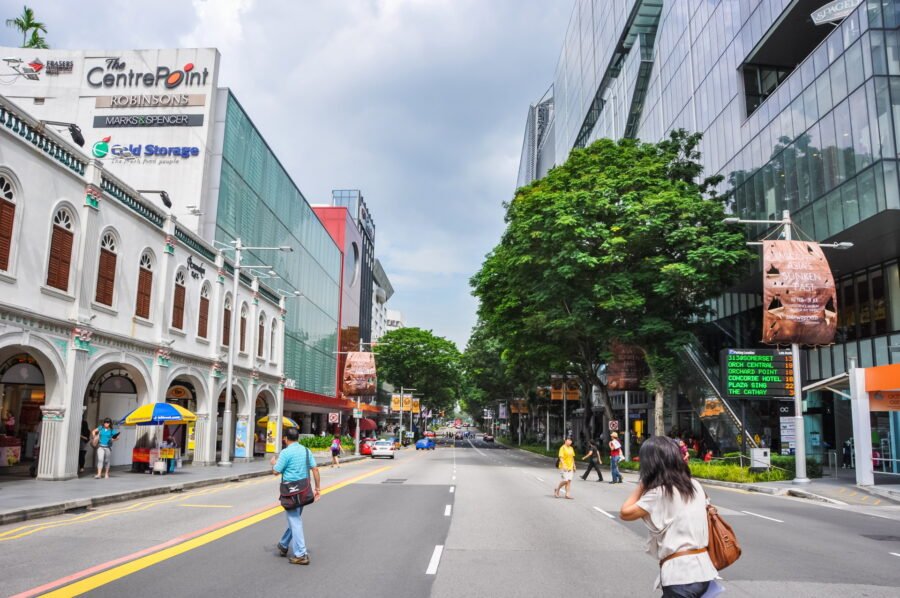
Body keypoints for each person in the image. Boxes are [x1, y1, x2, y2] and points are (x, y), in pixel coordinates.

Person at [620, 436, 718, 597]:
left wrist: (644, 482)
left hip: (681, 576)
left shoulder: (660, 492)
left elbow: (625, 512)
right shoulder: (695, 485)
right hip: (704, 573)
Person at [271, 427, 320, 565]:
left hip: (290, 492)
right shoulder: (306, 450)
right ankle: (284, 544)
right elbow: (315, 469)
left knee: (295, 521)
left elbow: (276, 472)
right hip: (304, 490)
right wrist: (318, 488)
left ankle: (301, 554)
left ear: (285, 438)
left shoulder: (285, 453)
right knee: (295, 519)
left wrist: (273, 463)